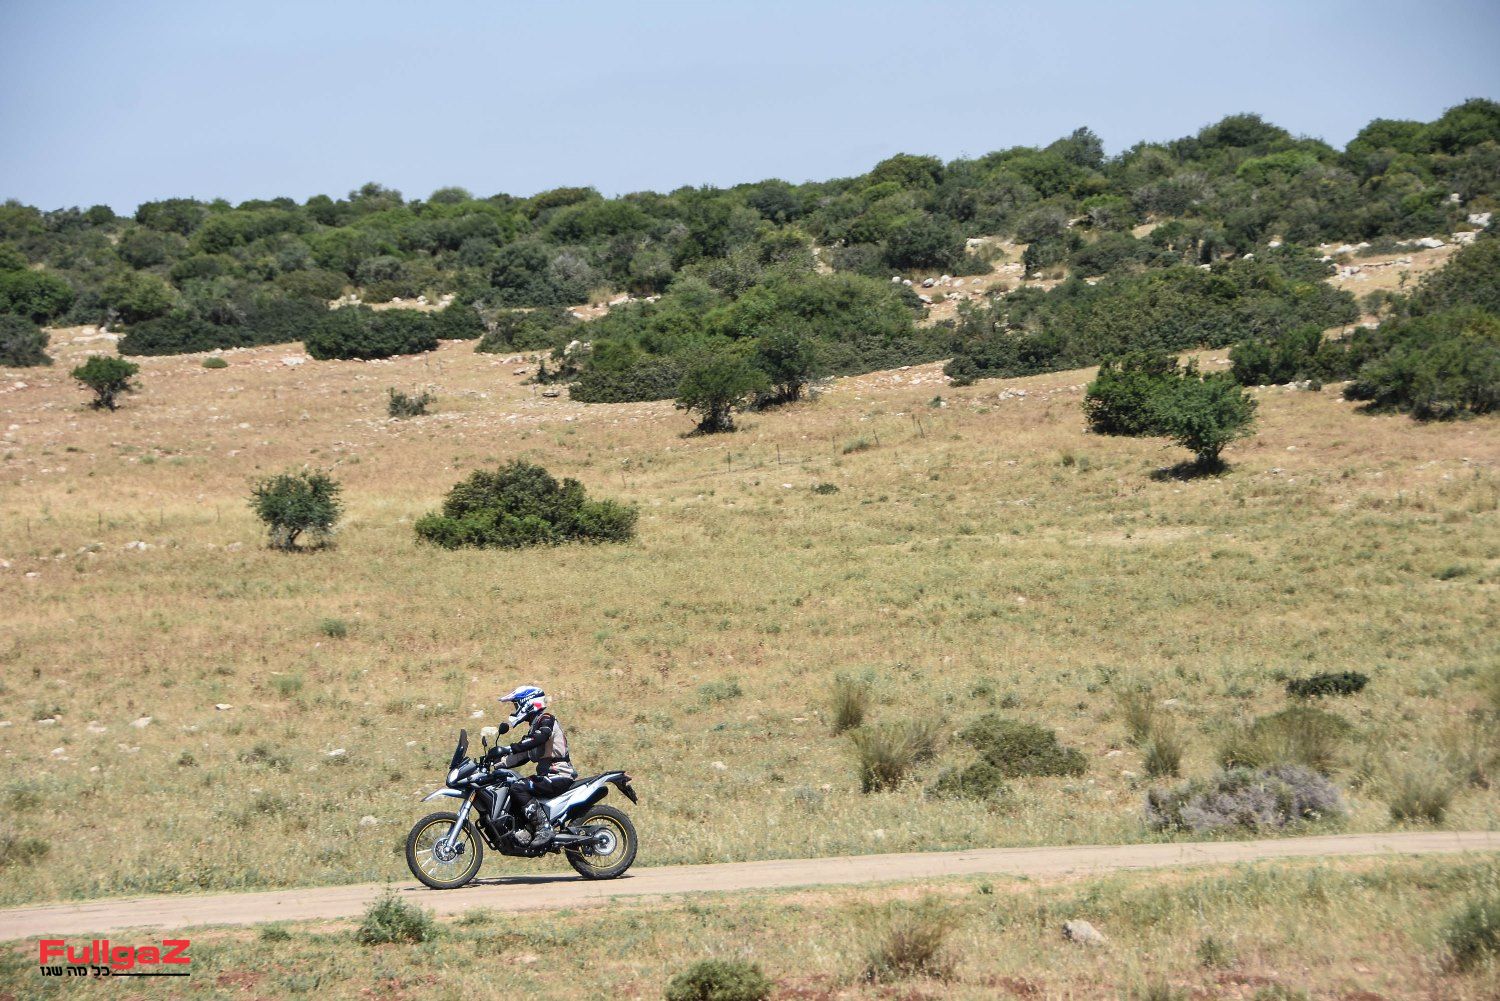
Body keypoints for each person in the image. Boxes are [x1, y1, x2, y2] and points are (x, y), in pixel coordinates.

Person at [489, 685, 577, 846]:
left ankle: (544, 828)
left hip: (559, 775)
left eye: (517, 704)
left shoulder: (546, 719)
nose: (516, 709)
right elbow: (523, 755)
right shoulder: (535, 726)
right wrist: (494, 763)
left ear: (528, 703)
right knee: (511, 787)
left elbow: (539, 738)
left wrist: (509, 747)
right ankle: (528, 828)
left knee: (519, 787)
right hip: (548, 776)